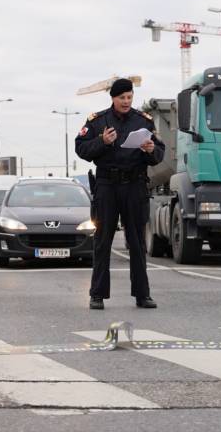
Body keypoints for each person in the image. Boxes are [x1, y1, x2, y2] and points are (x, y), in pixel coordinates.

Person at [75, 78, 165, 310]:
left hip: (134, 185)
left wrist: (151, 149)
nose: (126, 101)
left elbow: (158, 154)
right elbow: (81, 149)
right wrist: (102, 141)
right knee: (102, 241)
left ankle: (142, 295)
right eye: (122, 98)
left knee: (136, 241)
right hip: (107, 185)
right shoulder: (98, 121)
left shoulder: (142, 120)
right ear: (113, 98)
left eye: (129, 97)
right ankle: (97, 295)